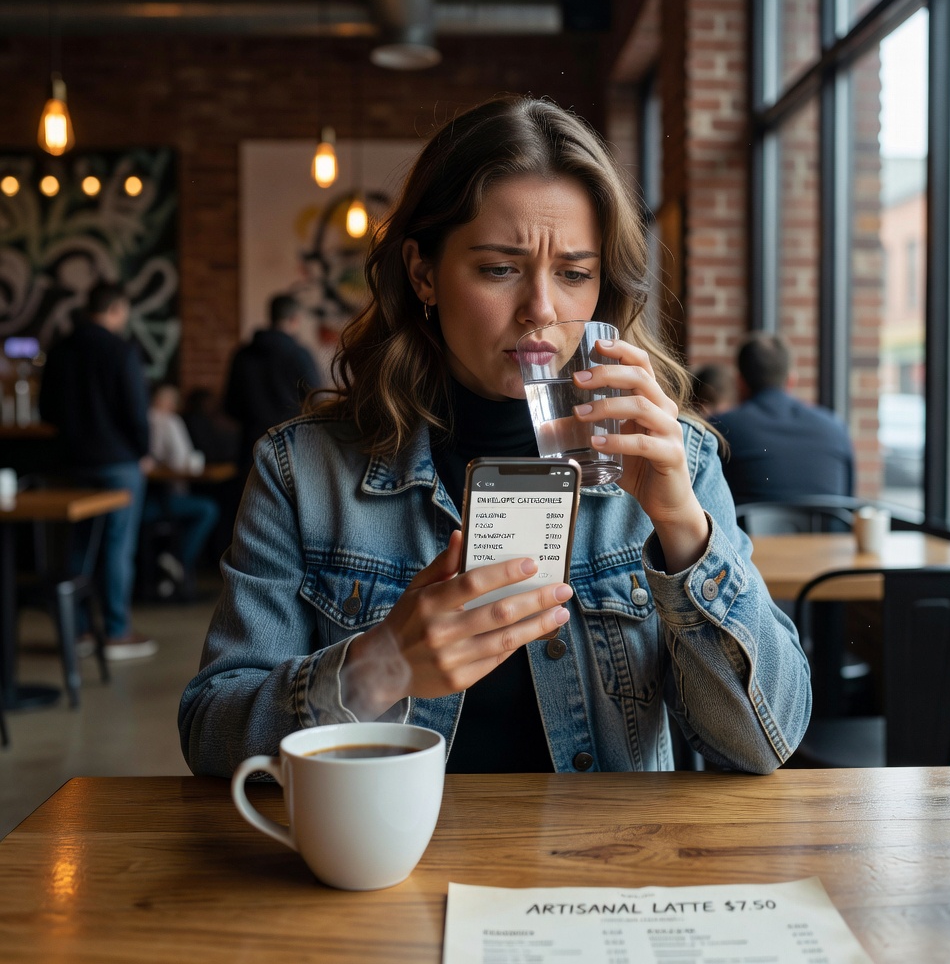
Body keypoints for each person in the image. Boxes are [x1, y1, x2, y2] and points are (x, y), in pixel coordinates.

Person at [179, 95, 810, 778]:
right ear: (422, 272)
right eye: (499, 268)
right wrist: (377, 665)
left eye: (573, 273)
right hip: (388, 869)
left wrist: (683, 525)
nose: (540, 309)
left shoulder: (673, 456)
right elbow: (213, 737)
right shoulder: (304, 470)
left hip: (600, 872)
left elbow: (761, 745)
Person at [38, 281, 157, 659]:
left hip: (71, 463)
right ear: (117, 308)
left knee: (77, 547)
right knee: (117, 548)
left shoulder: (60, 351)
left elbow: (46, 411)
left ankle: (79, 634)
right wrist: (142, 450)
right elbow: (135, 411)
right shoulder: (121, 350)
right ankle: (118, 633)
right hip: (119, 462)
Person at [709, 332, 855, 505]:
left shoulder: (719, 429)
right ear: (791, 380)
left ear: (739, 382)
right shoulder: (835, 428)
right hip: (828, 531)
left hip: (752, 532)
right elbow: (848, 502)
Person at [223, 293, 321, 476]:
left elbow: (230, 407)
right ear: (295, 319)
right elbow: (318, 403)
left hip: (251, 450)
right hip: (294, 450)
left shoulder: (242, 356)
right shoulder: (299, 355)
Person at [143, 383, 220, 600]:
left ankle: (170, 570)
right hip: (164, 500)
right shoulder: (169, 421)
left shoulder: (138, 419)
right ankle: (177, 559)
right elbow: (181, 462)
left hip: (138, 503)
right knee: (208, 509)